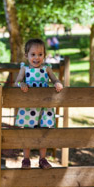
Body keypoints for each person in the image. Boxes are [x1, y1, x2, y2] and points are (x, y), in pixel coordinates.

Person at [15, 38, 63, 169]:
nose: (37, 58)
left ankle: (43, 159)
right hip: (29, 107)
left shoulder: (47, 69)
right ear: (26, 55)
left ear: (44, 55)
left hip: (44, 106)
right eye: (33, 54)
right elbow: (17, 81)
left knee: (44, 131)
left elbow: (54, 79)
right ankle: (26, 159)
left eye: (40, 54)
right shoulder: (24, 69)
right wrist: (22, 84)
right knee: (28, 132)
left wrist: (57, 83)